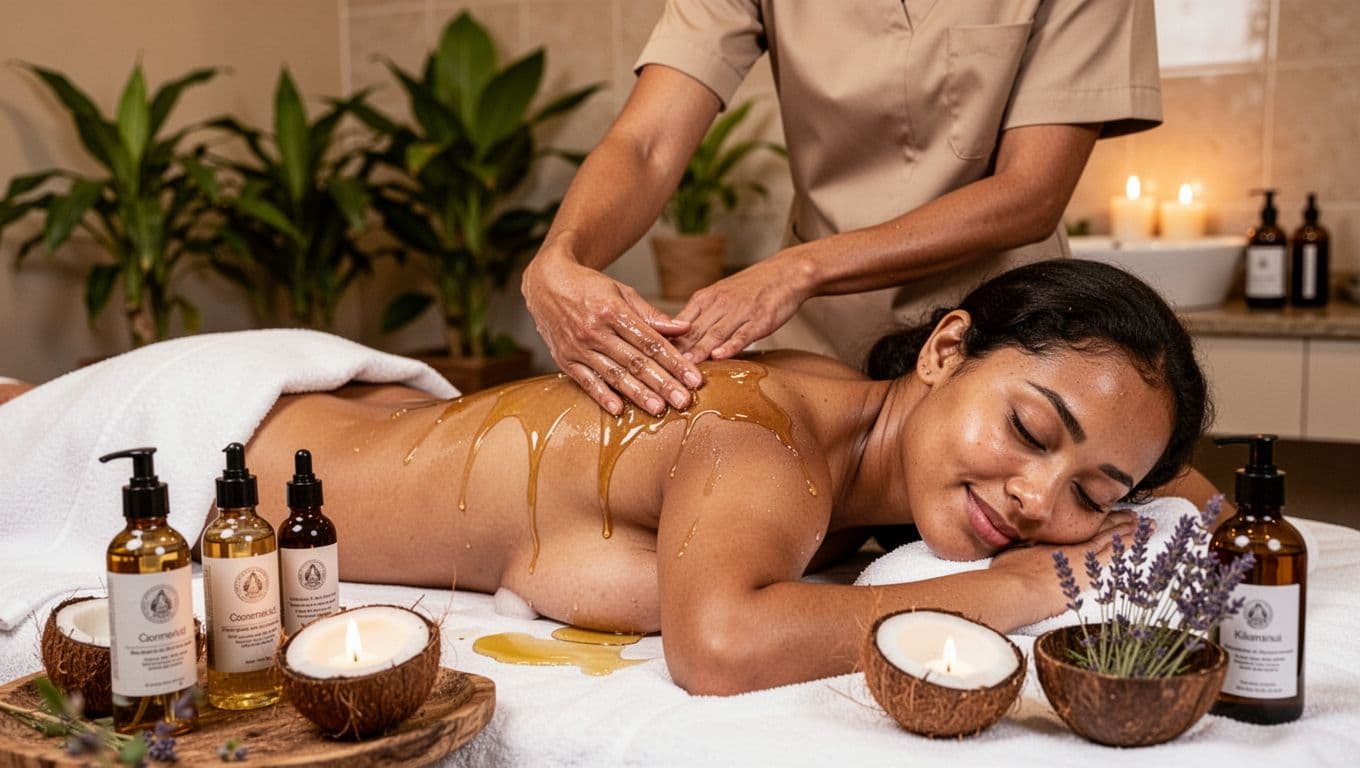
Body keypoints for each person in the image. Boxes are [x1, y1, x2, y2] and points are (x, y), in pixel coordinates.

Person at [0, 261, 1217, 695]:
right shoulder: (768, 443)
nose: (1034, 498)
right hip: (228, 442)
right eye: (1029, 424)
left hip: (339, 412)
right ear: (947, 347)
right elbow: (723, 646)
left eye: (1092, 491)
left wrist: (1175, 499)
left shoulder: (849, 433)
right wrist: (1011, 594)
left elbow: (1198, 497)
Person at [521, 0, 1163, 419]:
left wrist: (795, 271)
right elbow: (648, 142)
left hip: (1002, 347)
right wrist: (558, 258)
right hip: (820, 352)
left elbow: (1032, 192)